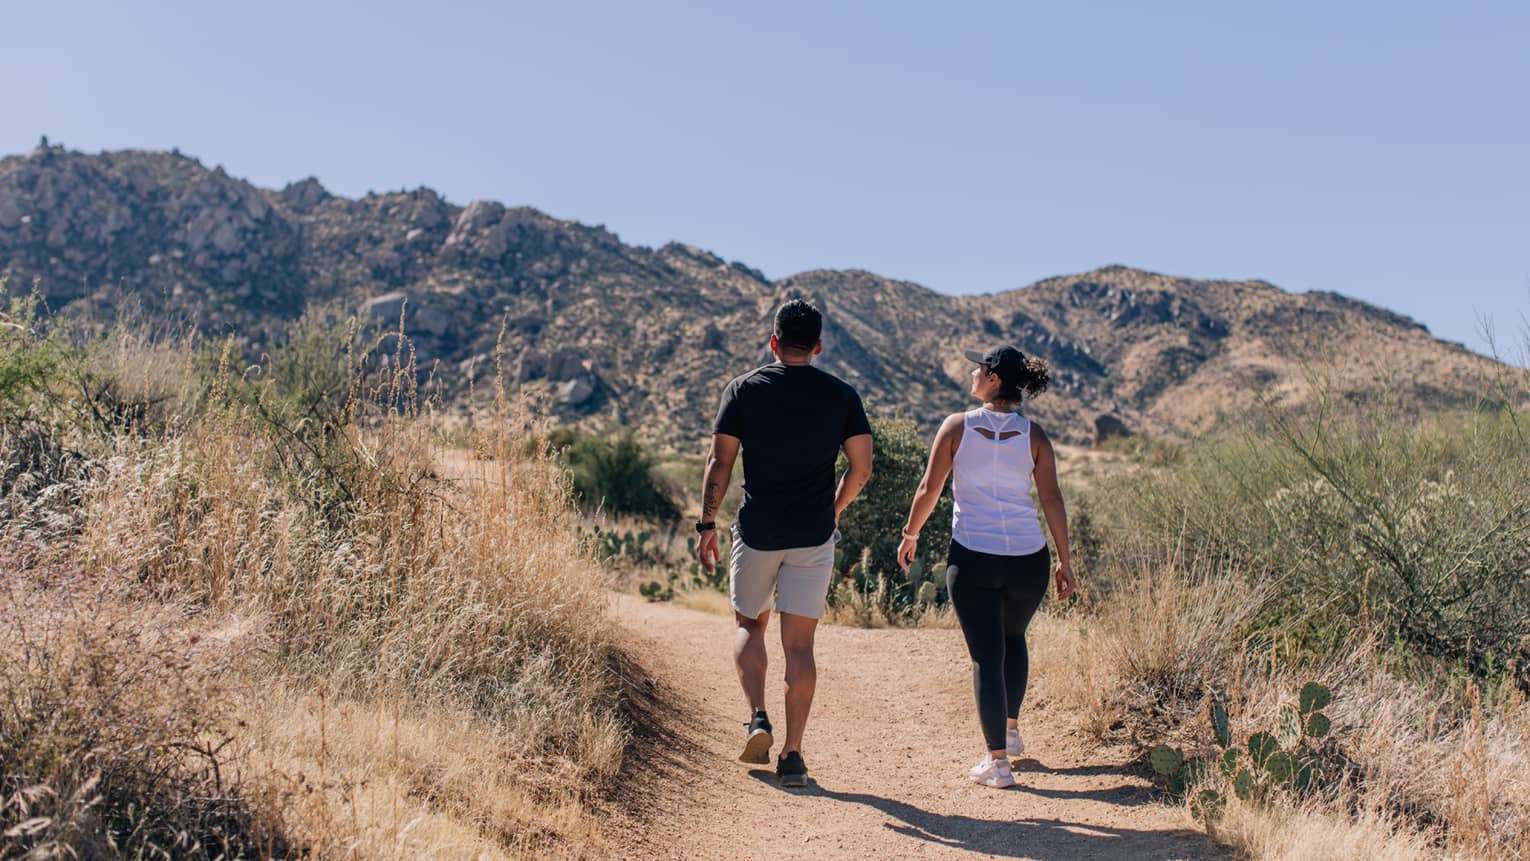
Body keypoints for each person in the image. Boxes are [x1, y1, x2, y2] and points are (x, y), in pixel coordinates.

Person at [695, 298, 874, 788]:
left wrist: (707, 524)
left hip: (757, 533)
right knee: (800, 645)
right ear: (817, 346)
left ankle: (757, 718)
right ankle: (793, 754)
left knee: (750, 625)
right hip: (812, 536)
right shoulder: (842, 396)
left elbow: (720, 463)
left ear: (773, 341)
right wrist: (832, 511)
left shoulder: (744, 390)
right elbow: (862, 469)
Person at [896, 345, 1075, 789]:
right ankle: (1009, 734)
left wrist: (911, 533)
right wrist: (1066, 561)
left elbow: (929, 487)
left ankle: (997, 765)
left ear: (993, 378)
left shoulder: (957, 426)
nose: (972, 372)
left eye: (979, 368)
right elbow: (1051, 500)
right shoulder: (1035, 436)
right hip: (1028, 559)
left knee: (985, 656)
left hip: (974, 556)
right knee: (1013, 640)